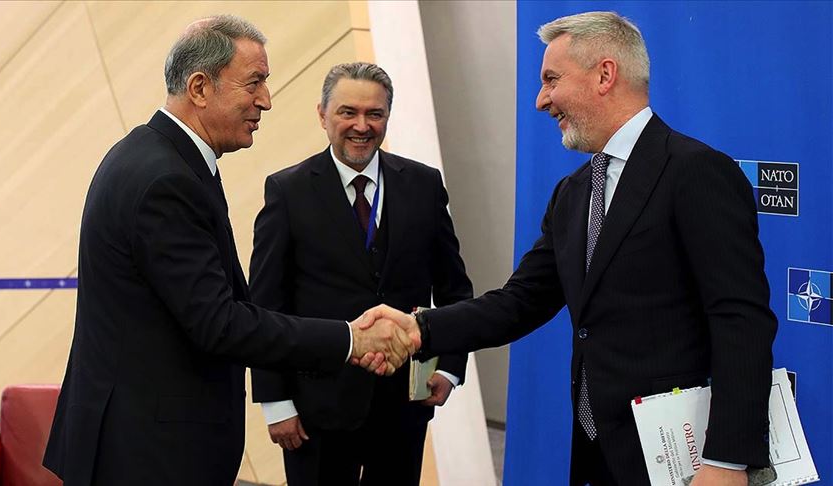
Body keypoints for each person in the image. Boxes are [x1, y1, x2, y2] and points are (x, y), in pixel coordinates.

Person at [360, 11, 777, 486]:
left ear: (604, 74)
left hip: (685, 457)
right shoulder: (573, 193)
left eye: (551, 80)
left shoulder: (696, 171)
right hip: (598, 453)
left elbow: (740, 319)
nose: (541, 100)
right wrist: (418, 328)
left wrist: (727, 459)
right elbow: (520, 302)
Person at [42, 16, 414, 486]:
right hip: (148, 454)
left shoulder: (155, 156)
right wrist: (350, 339)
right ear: (200, 87)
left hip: (145, 442)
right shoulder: (166, 181)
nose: (266, 100)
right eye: (254, 83)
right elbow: (219, 322)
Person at [248, 62, 473, 486]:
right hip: (315, 411)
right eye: (347, 112)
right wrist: (276, 403)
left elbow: (454, 289)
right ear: (322, 115)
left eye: (375, 114)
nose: (362, 126)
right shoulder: (287, 191)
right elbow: (265, 306)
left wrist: (449, 367)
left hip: (404, 407)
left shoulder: (424, 184)